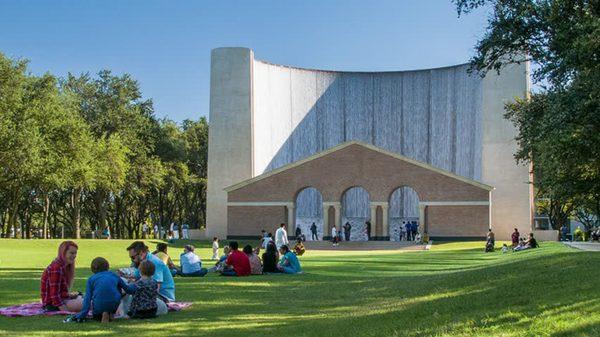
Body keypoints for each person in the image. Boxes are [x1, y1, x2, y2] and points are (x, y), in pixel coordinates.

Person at [74, 257, 135, 322]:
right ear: (107, 267)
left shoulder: (91, 279)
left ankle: (102, 314)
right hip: (114, 304)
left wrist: (82, 314)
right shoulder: (114, 276)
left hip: (99, 306)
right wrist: (135, 284)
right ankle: (110, 313)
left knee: (97, 314)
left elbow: (87, 299)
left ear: (93, 269)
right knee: (116, 289)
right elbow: (128, 290)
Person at [125, 241, 174, 314]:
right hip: (153, 293)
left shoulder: (154, 262)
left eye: (133, 257)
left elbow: (155, 288)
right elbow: (136, 276)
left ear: (141, 253)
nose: (132, 260)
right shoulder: (143, 262)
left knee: (129, 295)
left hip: (163, 297)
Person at [41, 241, 83, 312]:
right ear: (63, 253)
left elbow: (60, 292)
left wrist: (70, 295)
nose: (74, 256)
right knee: (89, 304)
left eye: (75, 253)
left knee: (87, 297)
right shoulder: (56, 268)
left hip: (62, 300)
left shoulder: (64, 267)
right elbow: (54, 295)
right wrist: (65, 311)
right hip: (52, 305)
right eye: (71, 253)